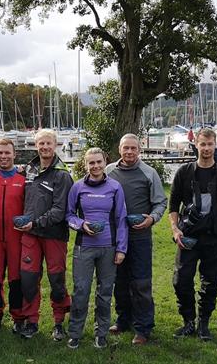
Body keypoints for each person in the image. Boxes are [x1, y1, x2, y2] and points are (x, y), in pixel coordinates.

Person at [168, 128, 217, 340]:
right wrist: (175, 228)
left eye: (210, 144)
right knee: (181, 280)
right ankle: (188, 320)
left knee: (211, 281)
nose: (206, 149)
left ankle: (203, 323)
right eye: (202, 144)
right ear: (196, 145)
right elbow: (173, 205)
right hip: (188, 236)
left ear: (215, 145)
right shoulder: (184, 172)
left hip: (214, 237)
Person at [105, 133, 167, 344]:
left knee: (141, 283)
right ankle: (123, 320)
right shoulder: (109, 171)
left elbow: (160, 202)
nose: (129, 152)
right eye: (126, 148)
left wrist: (152, 219)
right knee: (119, 281)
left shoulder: (149, 173)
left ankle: (143, 328)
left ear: (139, 149)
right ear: (119, 149)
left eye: (133, 148)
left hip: (140, 236)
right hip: (115, 237)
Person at [65, 148, 127, 349]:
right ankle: (75, 333)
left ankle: (101, 333)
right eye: (91, 163)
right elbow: (69, 215)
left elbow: (121, 219)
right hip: (84, 248)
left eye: (99, 162)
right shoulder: (77, 187)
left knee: (105, 292)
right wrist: (81, 225)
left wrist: (121, 249)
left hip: (108, 248)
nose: (96, 166)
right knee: (81, 291)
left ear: (104, 162)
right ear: (85, 164)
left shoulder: (115, 187)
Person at [15, 129, 73, 340]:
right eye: (41, 144)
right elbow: (6, 171)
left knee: (56, 279)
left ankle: (59, 322)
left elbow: (59, 210)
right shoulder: (29, 169)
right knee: (28, 279)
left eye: (48, 143)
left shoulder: (62, 173)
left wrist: (35, 223)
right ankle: (31, 321)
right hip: (30, 234)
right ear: (36, 145)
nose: (45, 147)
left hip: (53, 234)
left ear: (55, 145)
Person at [0, 138, 26, 333]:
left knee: (16, 278)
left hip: (16, 237)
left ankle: (19, 318)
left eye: (7, 152)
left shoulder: (23, 179)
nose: (3, 156)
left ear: (14, 154)